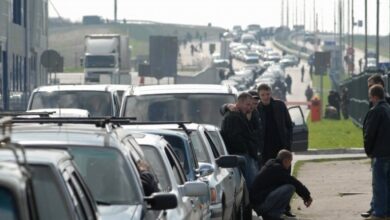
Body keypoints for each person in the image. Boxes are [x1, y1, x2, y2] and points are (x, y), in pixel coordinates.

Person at [257, 84, 295, 217]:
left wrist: (288, 145)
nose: (266, 97)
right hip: (265, 151)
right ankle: (271, 206)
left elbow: (289, 125)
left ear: (270, 93)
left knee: (285, 178)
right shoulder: (257, 109)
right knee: (269, 180)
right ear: (259, 96)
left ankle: (286, 207)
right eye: (262, 95)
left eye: (267, 94)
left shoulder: (279, 106)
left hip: (281, 149)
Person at [250, 150, 313, 220]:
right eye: (290, 161)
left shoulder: (272, 164)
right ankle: (273, 215)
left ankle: (271, 215)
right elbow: (294, 182)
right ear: (285, 161)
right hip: (260, 205)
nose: (290, 165)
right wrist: (307, 196)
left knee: (286, 185)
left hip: (257, 203)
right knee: (290, 188)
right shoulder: (277, 169)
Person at [361, 74, 390, 218]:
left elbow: (369, 134)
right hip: (388, 152)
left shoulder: (376, 110)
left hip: (379, 152)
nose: (369, 99)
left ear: (374, 96)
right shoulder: (387, 108)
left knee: (379, 185)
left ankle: (379, 212)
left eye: (370, 95)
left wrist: (368, 151)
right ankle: (385, 210)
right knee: (387, 184)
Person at [220, 92, 259, 188]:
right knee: (253, 185)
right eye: (247, 104)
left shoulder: (244, 115)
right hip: (242, 155)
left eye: (251, 104)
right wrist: (246, 149)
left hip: (246, 154)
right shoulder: (233, 116)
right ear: (239, 103)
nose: (250, 107)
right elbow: (234, 138)